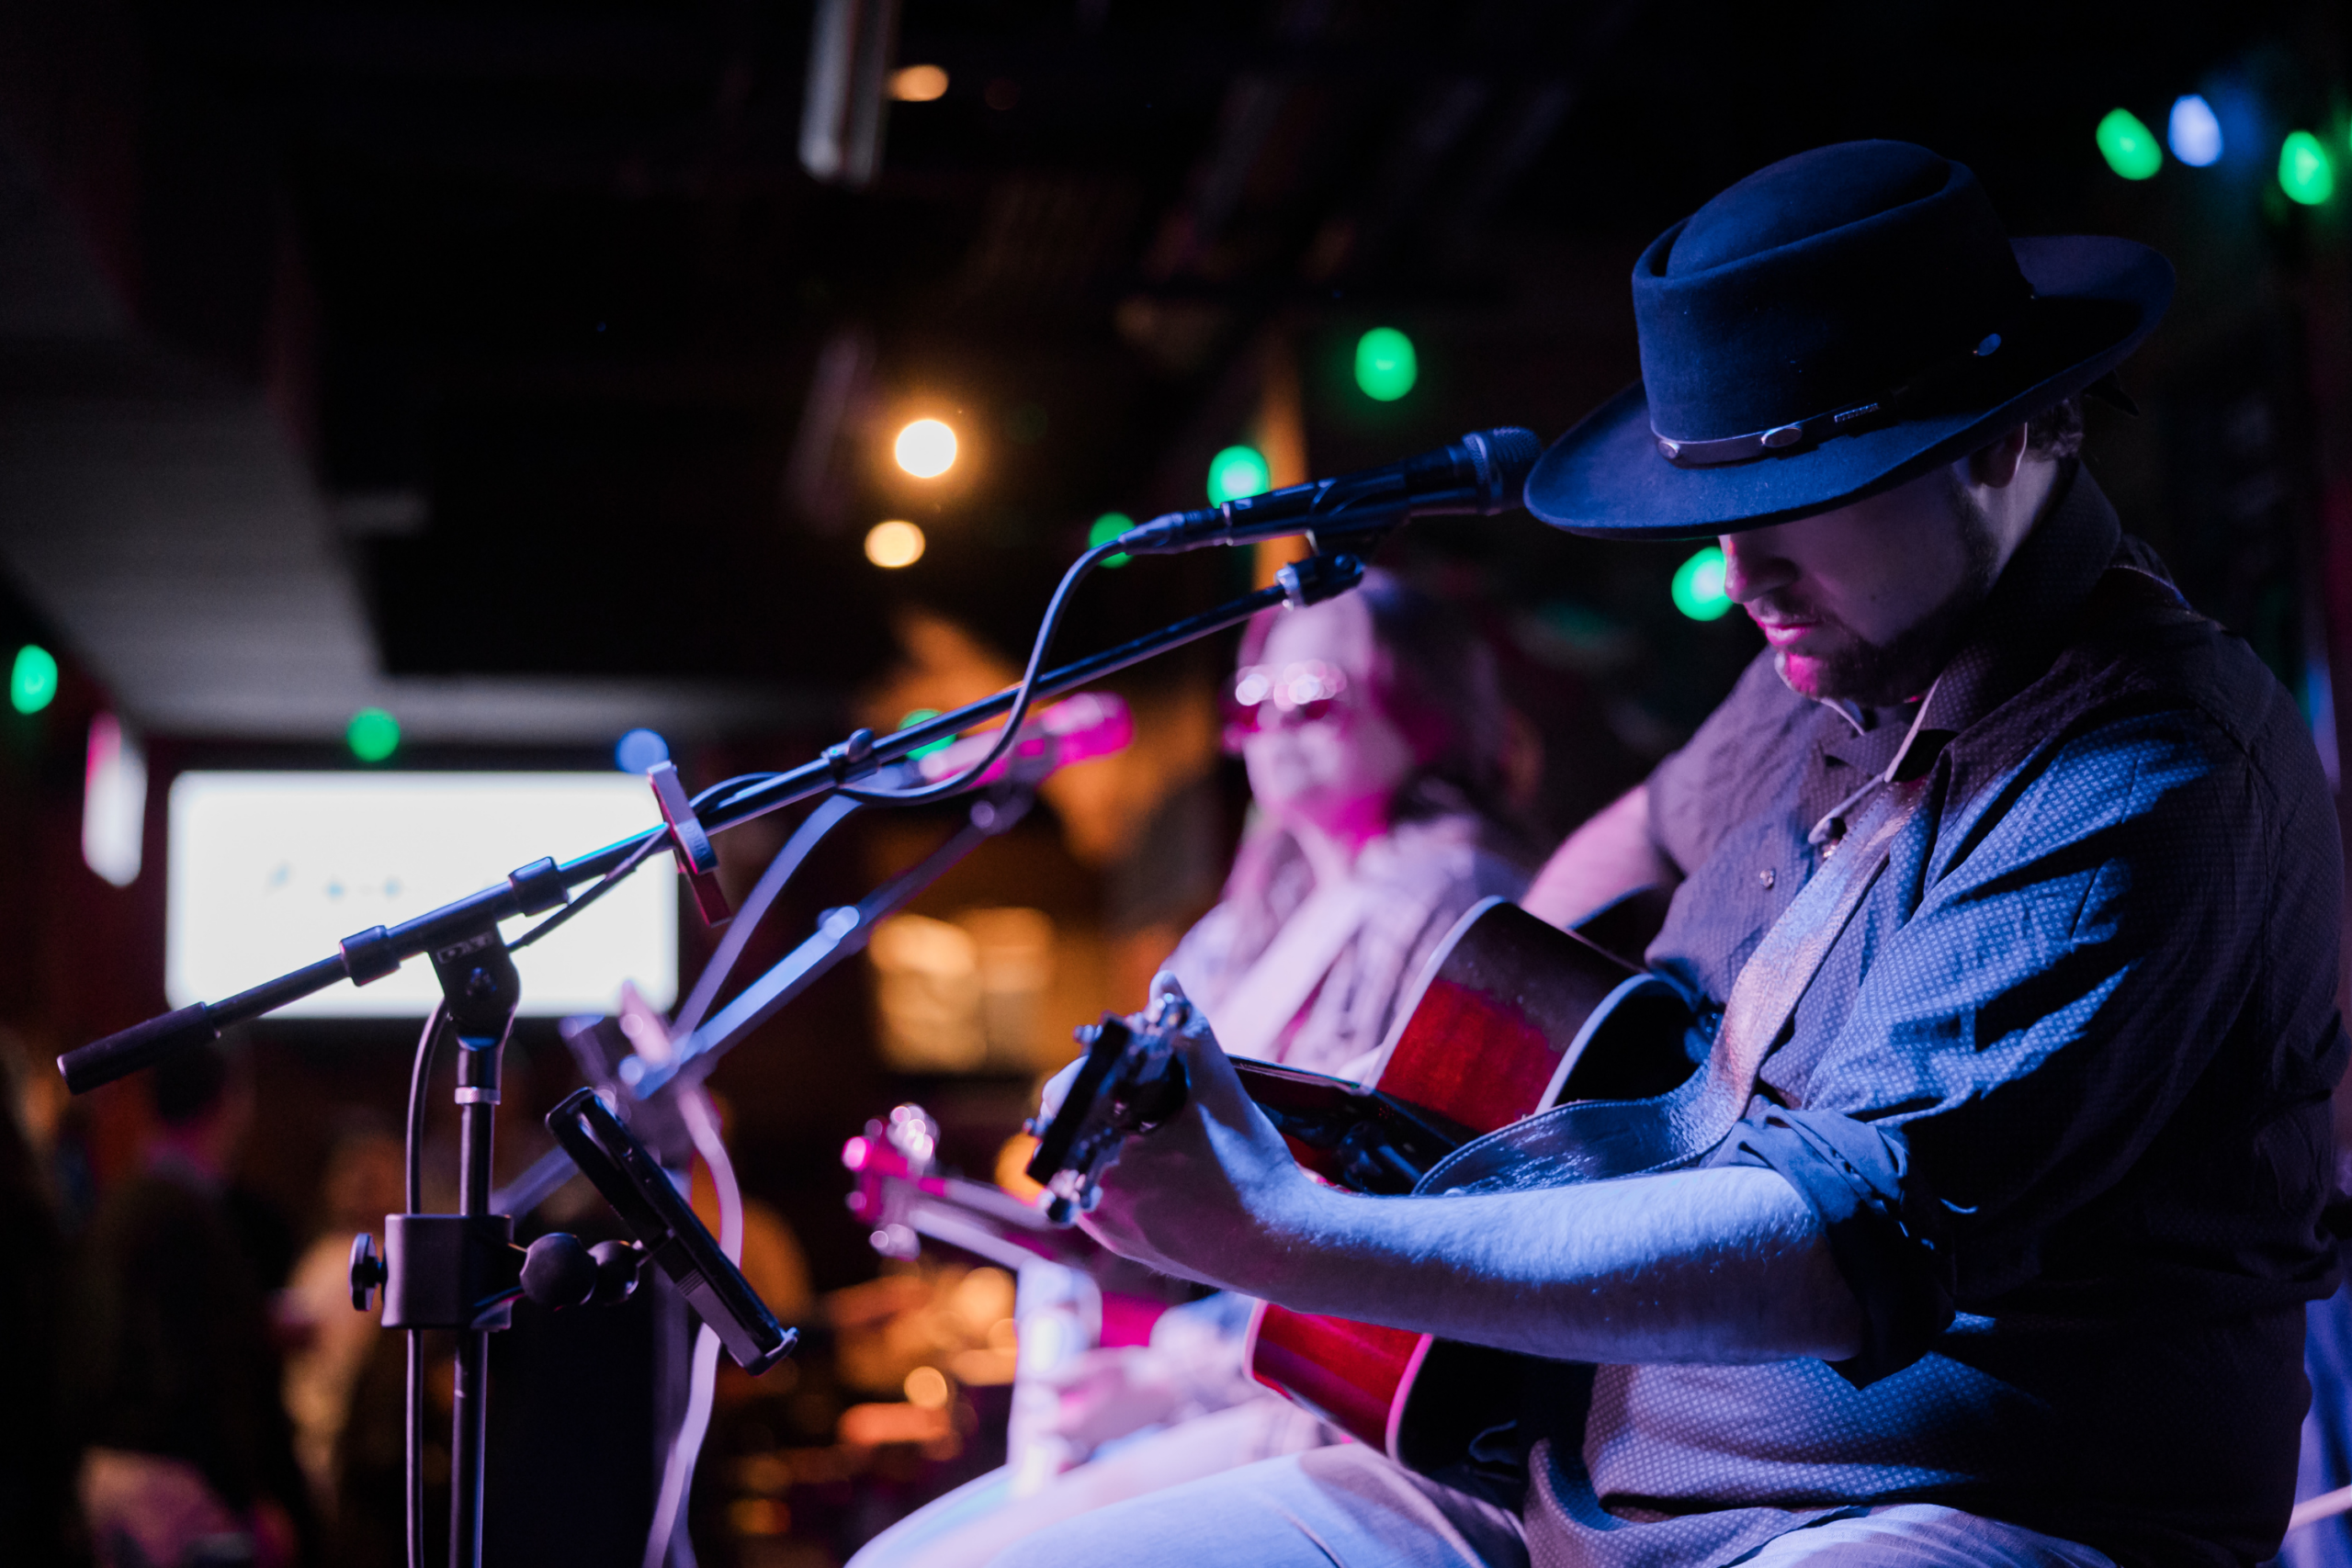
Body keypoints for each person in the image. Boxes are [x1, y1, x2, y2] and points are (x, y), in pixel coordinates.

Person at [999, 141, 2344, 1568]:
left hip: (1941, 1509)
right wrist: (1469, 1074)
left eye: (1790, 501)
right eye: (1713, 509)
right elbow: (1639, 827)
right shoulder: (1821, 661)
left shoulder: (2153, 763)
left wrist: (1284, 1233)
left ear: (2001, 439)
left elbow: (1833, 1242)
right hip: (1556, 1471)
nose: (1735, 573)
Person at [849, 569, 1532, 1567]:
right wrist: (964, 1208)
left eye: (1315, 699)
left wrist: (1175, 1375)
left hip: (1335, 1407)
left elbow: (1407, 1219)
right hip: (1221, 1373)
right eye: (1251, 703)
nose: (1275, 726)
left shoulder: (1457, 896)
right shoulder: (1243, 924)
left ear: (1424, 705)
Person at [69, 1040, 314, 1568]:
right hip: (179, 1503)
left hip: (114, 1480)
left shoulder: (118, 1205)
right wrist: (249, 1498)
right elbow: (197, 1375)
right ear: (231, 1100)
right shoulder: (185, 1217)